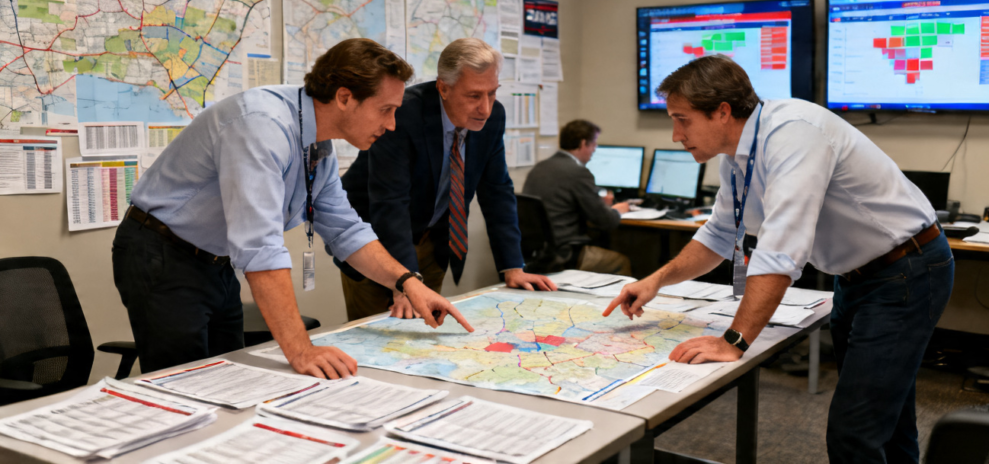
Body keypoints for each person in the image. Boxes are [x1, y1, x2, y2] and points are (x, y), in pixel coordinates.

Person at [603, 55, 953, 464]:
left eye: (682, 120)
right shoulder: (736, 156)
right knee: (886, 420)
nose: (675, 134)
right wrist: (656, 280)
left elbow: (781, 249)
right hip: (857, 278)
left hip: (905, 272)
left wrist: (735, 340)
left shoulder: (793, 133)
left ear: (722, 112)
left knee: (855, 432)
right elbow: (719, 233)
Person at [113, 39, 472, 378]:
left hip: (214, 263)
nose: (392, 125)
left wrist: (407, 282)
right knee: (185, 385)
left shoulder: (316, 143)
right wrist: (301, 350)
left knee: (226, 376)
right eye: (386, 110)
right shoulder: (261, 126)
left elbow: (346, 229)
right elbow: (260, 248)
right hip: (163, 254)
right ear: (345, 97)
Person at [334, 38, 556, 321]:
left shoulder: (493, 118)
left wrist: (513, 267)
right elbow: (390, 202)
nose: (485, 108)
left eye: (492, 93)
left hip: (435, 240)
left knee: (427, 330)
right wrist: (404, 282)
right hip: (376, 241)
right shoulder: (402, 114)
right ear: (443, 88)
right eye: (474, 96)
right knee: (377, 335)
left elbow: (497, 189)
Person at [522, 119, 632, 275]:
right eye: (594, 144)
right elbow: (605, 221)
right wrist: (618, 210)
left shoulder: (540, 167)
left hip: (535, 253)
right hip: (564, 253)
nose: (595, 149)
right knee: (620, 262)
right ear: (583, 143)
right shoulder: (578, 172)